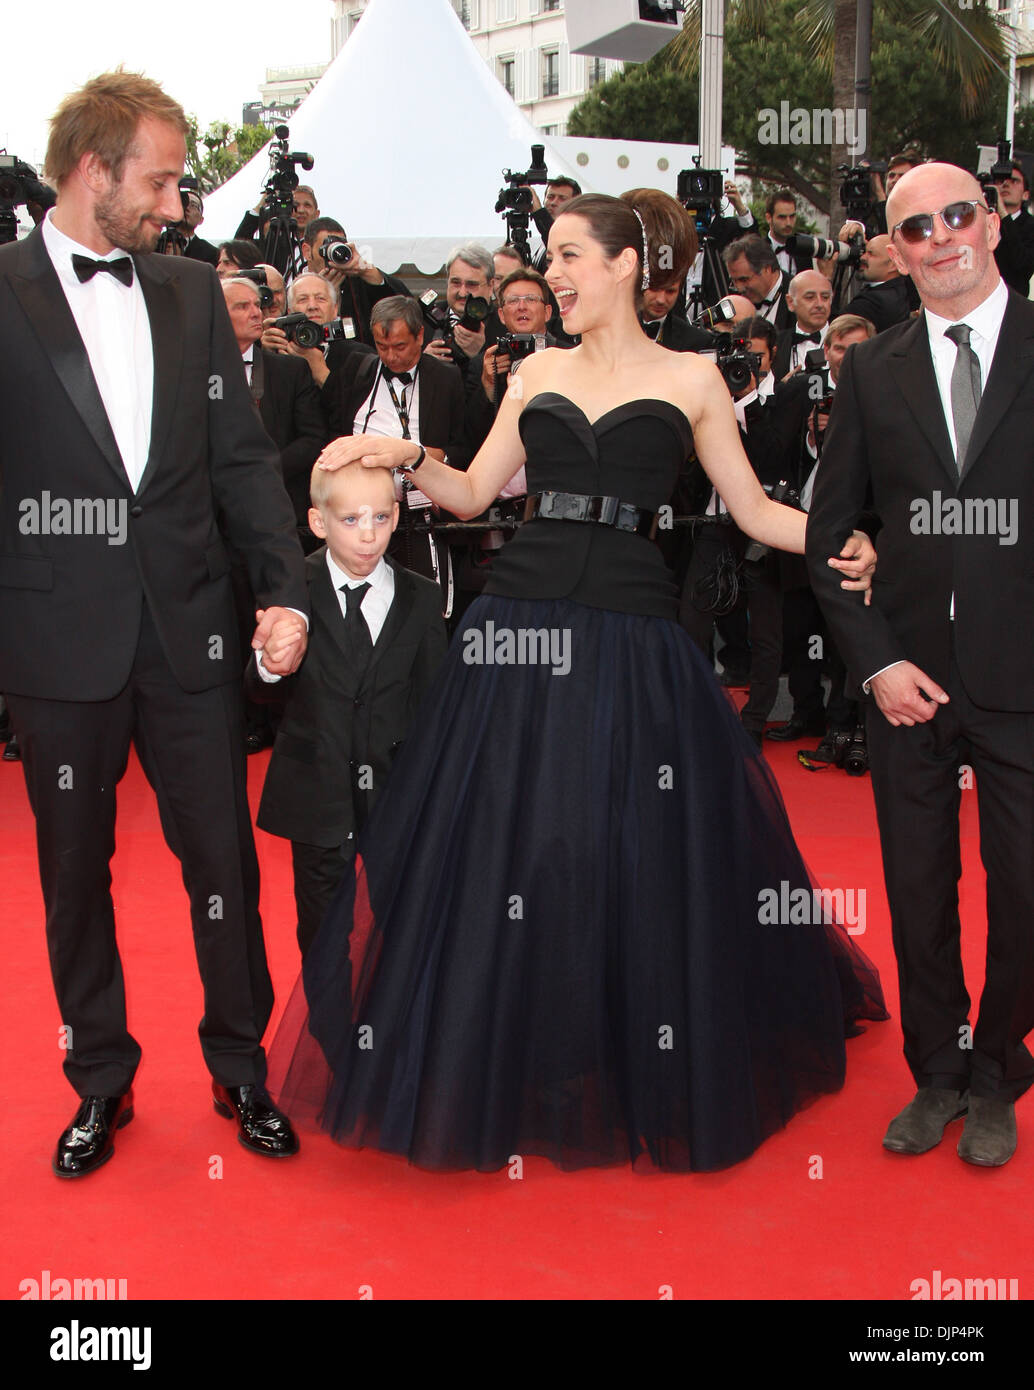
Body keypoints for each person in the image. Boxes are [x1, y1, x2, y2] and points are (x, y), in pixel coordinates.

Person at [267, 189, 886, 1174]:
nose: (548, 273)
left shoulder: (690, 378)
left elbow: (750, 512)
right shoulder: (536, 370)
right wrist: (406, 454)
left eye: (564, 254)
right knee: (512, 846)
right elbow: (472, 492)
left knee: (623, 844)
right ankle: (518, 1048)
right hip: (514, 623)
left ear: (625, 264)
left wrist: (837, 537)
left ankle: (614, 1038)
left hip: (634, 636)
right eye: (545, 255)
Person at [0, 71, 308, 1176]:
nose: (178, 206)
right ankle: (99, 1077)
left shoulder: (186, 293)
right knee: (74, 872)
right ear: (94, 172)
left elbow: (239, 465)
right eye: (164, 181)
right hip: (54, 645)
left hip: (190, 633)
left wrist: (283, 587)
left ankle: (239, 1067)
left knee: (220, 855)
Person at [806, 162, 1033, 1167]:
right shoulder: (873, 367)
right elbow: (826, 534)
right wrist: (875, 665)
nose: (939, 237)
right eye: (914, 227)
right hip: (907, 682)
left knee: (1024, 887)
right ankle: (934, 1072)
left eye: (955, 215)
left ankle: (995, 1071)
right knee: (916, 889)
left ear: (989, 222)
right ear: (893, 251)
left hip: (1025, 679)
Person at [248, 462, 447, 959]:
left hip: (396, 798)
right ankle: (331, 1036)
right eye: (351, 520)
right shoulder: (291, 593)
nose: (368, 536)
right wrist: (270, 665)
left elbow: (433, 706)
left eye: (380, 518)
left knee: (407, 932)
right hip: (317, 798)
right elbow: (254, 690)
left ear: (398, 516)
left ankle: (400, 1032)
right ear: (318, 522)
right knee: (321, 938)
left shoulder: (423, 597)